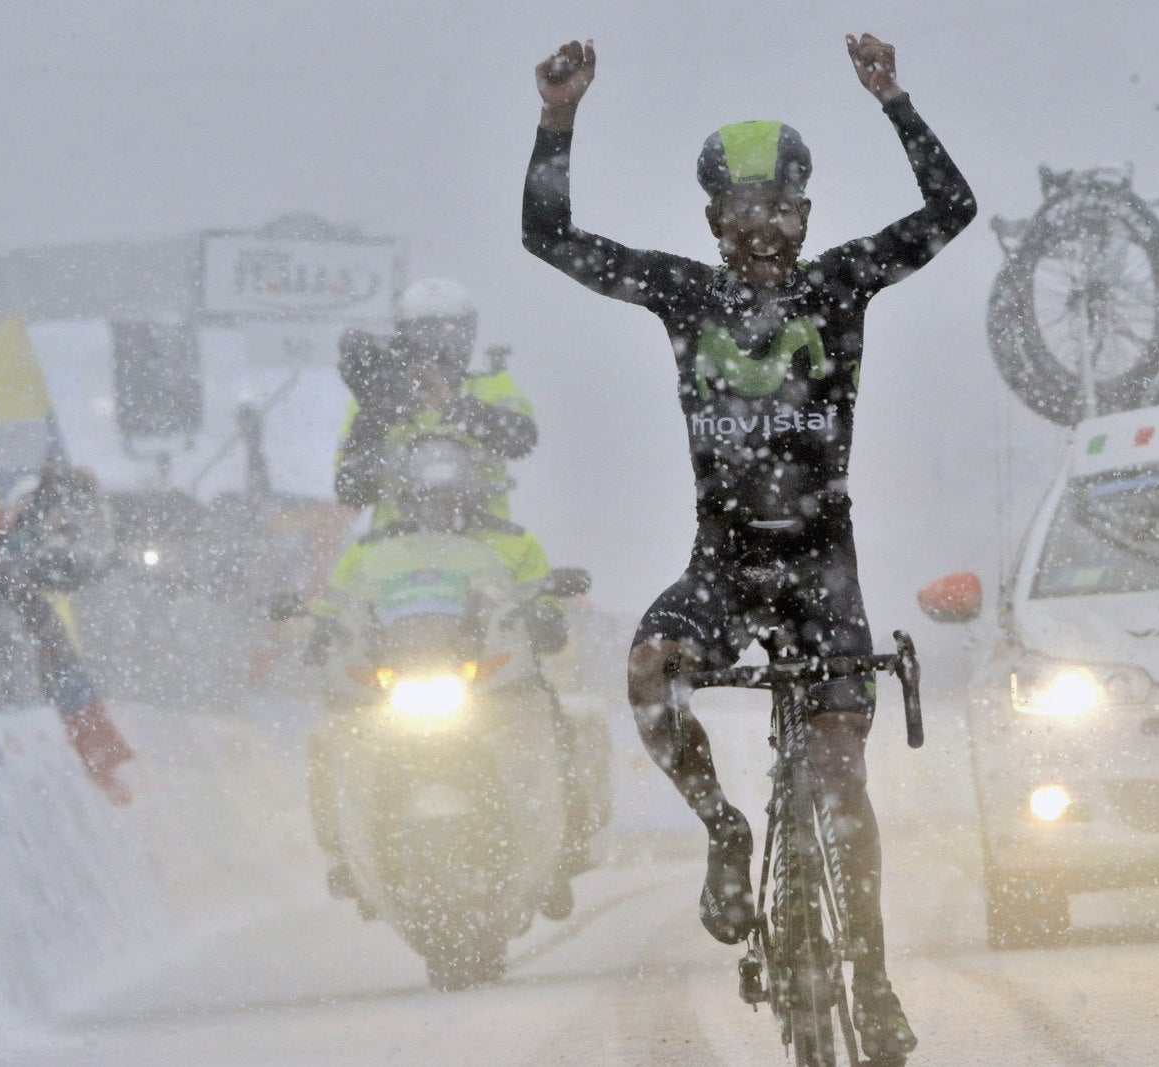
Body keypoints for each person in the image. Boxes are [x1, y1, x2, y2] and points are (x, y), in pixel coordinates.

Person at [522, 32, 974, 1063]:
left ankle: (873, 976)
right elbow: (548, 237)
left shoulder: (841, 286)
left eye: (779, 209)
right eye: (739, 211)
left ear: (806, 216)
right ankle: (727, 828)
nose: (761, 227)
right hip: (723, 567)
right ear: (713, 224)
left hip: (823, 572)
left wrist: (895, 101)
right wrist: (557, 117)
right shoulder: (687, 296)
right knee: (651, 663)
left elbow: (952, 209)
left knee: (842, 780)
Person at [322, 278, 601, 912]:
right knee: (344, 715)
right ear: (402, 336)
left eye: (448, 333)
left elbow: (520, 436)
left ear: (468, 336)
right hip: (397, 565)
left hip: (485, 561)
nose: (436, 346)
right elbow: (350, 487)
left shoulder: (492, 387)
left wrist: (453, 404)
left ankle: (565, 835)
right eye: (423, 333)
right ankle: (350, 845)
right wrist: (376, 409)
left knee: (541, 702)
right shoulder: (376, 402)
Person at [0, 464, 133, 806]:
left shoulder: (28, 551)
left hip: (48, 641)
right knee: (70, 686)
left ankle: (103, 764)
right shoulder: (16, 554)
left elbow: (68, 568)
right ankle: (101, 765)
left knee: (73, 687)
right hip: (40, 645)